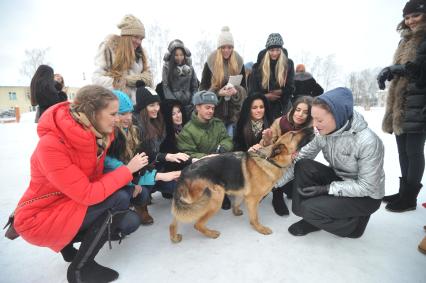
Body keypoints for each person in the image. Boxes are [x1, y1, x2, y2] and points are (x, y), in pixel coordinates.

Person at [13, 85, 147, 283]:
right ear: (93, 113)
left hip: (66, 203)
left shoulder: (96, 136)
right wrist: (126, 171)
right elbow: (87, 193)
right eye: (113, 114)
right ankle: (80, 269)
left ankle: (67, 247)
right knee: (120, 200)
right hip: (37, 218)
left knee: (128, 217)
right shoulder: (51, 145)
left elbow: (89, 182)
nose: (117, 119)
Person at [276, 87, 384, 238]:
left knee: (308, 208)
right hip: (340, 179)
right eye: (313, 118)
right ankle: (312, 219)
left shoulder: (368, 141)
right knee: (303, 165)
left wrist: (326, 189)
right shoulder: (324, 133)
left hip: (366, 196)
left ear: (338, 115)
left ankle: (354, 227)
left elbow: (367, 186)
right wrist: (272, 184)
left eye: (319, 120)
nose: (314, 124)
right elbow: (302, 156)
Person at [377, 0, 426, 212]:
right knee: (403, 152)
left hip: (420, 103)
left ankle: (409, 199)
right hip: (402, 103)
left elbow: (421, 72)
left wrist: (398, 68)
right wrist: (390, 71)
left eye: (415, 15)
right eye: (407, 17)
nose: (410, 21)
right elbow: (406, 69)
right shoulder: (405, 40)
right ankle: (404, 192)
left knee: (414, 152)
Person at [257, 96, 313, 216]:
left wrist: (297, 156)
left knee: (294, 194)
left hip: (295, 165)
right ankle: (276, 194)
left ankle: (284, 187)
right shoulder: (280, 122)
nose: (300, 114)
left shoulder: (310, 131)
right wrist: (266, 140)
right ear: (293, 109)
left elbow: (310, 154)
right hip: (277, 164)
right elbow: (268, 148)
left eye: (305, 112)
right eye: (298, 110)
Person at [177, 90, 234, 209]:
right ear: (197, 107)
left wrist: (222, 148)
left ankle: (221, 193)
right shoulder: (187, 131)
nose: (211, 111)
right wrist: (207, 158)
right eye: (207, 107)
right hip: (200, 167)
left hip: (219, 162)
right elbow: (188, 153)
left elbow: (227, 139)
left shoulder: (218, 124)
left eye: (213, 108)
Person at [104, 89, 153, 225]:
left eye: (130, 112)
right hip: (114, 178)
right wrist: (130, 178)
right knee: (127, 194)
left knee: (145, 187)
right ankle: (117, 218)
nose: (128, 117)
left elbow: (143, 154)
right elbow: (107, 162)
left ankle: (140, 207)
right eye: (122, 113)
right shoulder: (107, 134)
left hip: (130, 174)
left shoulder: (134, 130)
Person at [132, 86, 185, 202]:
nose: (156, 108)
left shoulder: (157, 121)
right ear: (142, 107)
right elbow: (141, 154)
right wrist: (164, 158)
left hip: (156, 165)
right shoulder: (135, 127)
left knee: (178, 187)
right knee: (144, 193)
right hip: (140, 171)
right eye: (152, 105)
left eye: (157, 104)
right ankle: (141, 206)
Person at [93, 14, 153, 104]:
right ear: (126, 36)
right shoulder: (109, 48)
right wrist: (124, 82)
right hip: (118, 106)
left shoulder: (141, 54)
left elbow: (149, 77)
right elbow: (97, 79)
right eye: (136, 37)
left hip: (139, 107)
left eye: (141, 39)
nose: (139, 42)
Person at [199, 26, 247, 137]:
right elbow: (202, 89)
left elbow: (245, 89)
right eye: (223, 47)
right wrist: (218, 93)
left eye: (230, 47)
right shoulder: (210, 62)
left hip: (234, 113)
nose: (226, 50)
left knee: (229, 145)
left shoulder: (239, 62)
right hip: (214, 114)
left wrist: (236, 91)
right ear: (219, 48)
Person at [249, 33, 295, 119]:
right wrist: (265, 96)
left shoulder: (288, 64)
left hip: (283, 107)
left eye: (277, 50)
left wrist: (281, 91)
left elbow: (291, 87)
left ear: (281, 49)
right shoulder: (258, 66)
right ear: (267, 50)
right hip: (263, 107)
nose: (275, 53)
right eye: (272, 50)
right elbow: (252, 92)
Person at [162, 39, 199, 117]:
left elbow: (195, 86)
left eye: (181, 55)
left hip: (190, 105)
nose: (179, 57)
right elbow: (166, 86)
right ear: (172, 56)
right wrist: (174, 104)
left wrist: (193, 102)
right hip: (175, 107)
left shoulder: (190, 67)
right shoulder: (166, 68)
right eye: (176, 55)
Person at [160, 99, 191, 172]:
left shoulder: (187, 127)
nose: (178, 116)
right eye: (173, 114)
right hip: (174, 170)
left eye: (179, 112)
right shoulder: (166, 135)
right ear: (167, 116)